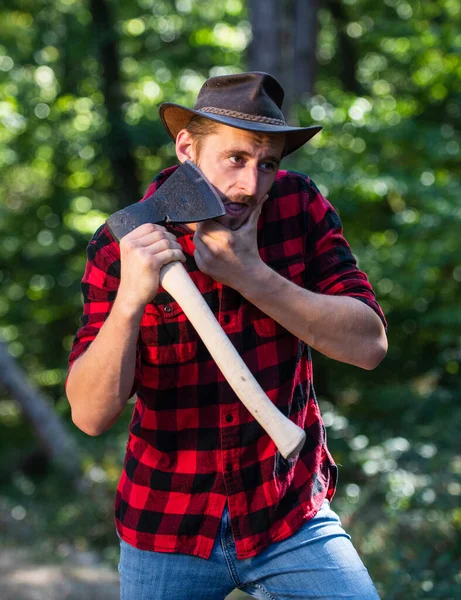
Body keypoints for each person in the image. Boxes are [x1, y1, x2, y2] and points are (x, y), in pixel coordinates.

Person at [66, 72, 387, 599]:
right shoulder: (124, 243)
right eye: (235, 159)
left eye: (268, 165)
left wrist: (249, 274)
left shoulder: (296, 207)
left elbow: (370, 346)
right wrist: (130, 300)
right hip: (166, 523)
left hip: (288, 514)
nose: (250, 186)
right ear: (187, 147)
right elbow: (90, 415)